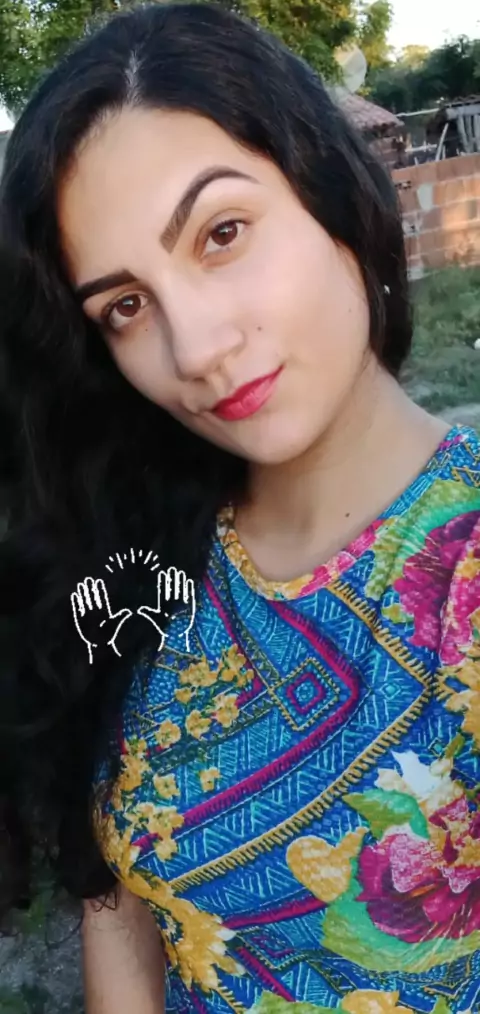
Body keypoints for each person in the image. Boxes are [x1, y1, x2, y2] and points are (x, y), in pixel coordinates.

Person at [0, 4, 479, 1013]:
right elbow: (118, 903)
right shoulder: (135, 557)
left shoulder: (462, 571)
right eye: (125, 306)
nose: (196, 347)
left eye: (221, 234)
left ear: (327, 188)